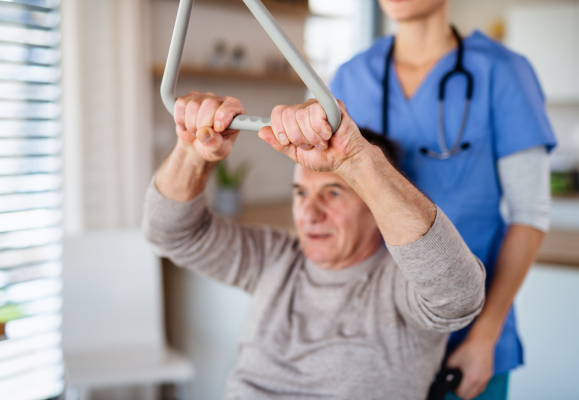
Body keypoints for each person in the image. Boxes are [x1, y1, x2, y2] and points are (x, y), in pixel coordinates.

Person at [144, 92, 485, 399]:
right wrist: (191, 151)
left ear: (376, 203)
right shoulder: (276, 258)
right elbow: (170, 234)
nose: (310, 213)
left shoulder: (401, 285)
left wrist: (357, 160)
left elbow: (460, 296)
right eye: (302, 193)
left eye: (333, 193)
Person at [329, 0, 557, 398]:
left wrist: (485, 337)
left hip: (468, 339)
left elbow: (530, 214)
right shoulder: (351, 78)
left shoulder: (503, 73)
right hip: (372, 335)